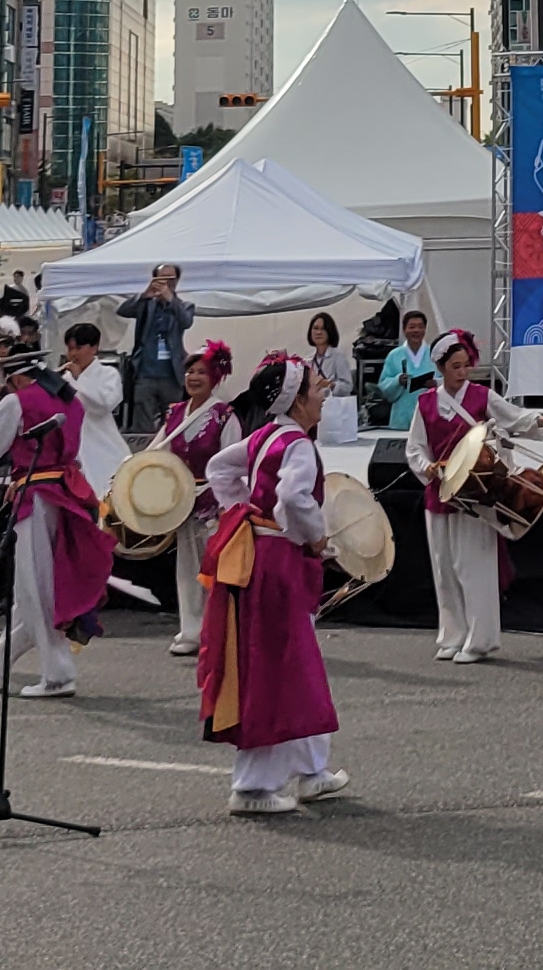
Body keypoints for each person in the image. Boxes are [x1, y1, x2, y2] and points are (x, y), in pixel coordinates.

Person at [198, 351, 349, 815]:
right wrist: (314, 535)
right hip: (278, 564)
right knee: (274, 668)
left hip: (262, 556)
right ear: (296, 400)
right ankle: (252, 787)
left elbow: (218, 469)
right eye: (316, 389)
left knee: (294, 664)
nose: (322, 395)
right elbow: (293, 497)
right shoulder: (298, 444)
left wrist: (242, 509)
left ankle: (312, 770)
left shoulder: (266, 435)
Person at [0, 333, 116, 698]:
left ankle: (57, 675)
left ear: (16, 377)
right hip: (65, 493)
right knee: (30, 592)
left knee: (36, 589)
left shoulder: (18, 402)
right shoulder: (71, 401)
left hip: (37, 499)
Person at [400, 328, 533, 663]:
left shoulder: (482, 397)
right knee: (444, 569)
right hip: (440, 492)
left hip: (475, 493)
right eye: (455, 366)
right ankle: (453, 635)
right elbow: (415, 447)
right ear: (441, 368)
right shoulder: (426, 403)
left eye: (465, 365)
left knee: (473, 568)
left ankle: (481, 639)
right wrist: (428, 467)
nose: (462, 372)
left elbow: (515, 417)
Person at [153, 341, 241, 657]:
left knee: (214, 569)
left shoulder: (224, 416)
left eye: (201, 372)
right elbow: (157, 452)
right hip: (182, 500)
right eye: (190, 371)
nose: (193, 377)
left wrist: (224, 503)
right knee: (187, 567)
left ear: (215, 376)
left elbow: (232, 464)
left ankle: (219, 630)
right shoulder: (175, 413)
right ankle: (191, 630)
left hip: (214, 503)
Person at [60, 321, 131, 497]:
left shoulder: (109, 374)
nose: (73, 354)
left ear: (94, 348)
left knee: (113, 491)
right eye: (70, 349)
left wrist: (79, 379)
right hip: (76, 445)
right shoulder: (64, 379)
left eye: (78, 348)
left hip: (103, 441)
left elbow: (105, 405)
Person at [121, 266, 194, 431]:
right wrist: (145, 295)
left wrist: (171, 300)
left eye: (171, 278)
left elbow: (186, 321)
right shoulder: (146, 305)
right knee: (142, 424)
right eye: (162, 278)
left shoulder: (184, 305)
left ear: (177, 281)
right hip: (145, 374)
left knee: (172, 423)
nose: (167, 282)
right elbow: (123, 310)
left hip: (172, 375)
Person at [376, 309, 434, 431]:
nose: (416, 330)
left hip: (429, 413)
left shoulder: (434, 354)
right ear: (404, 330)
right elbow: (383, 385)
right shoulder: (394, 355)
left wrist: (435, 383)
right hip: (401, 413)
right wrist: (397, 381)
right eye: (412, 327)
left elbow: (445, 381)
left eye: (420, 327)